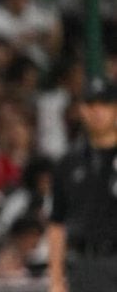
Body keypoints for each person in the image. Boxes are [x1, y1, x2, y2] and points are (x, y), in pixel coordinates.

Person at [48, 77, 117, 292]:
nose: (97, 111)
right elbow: (57, 223)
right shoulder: (68, 162)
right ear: (81, 110)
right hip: (85, 264)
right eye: (90, 105)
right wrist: (56, 280)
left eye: (105, 104)